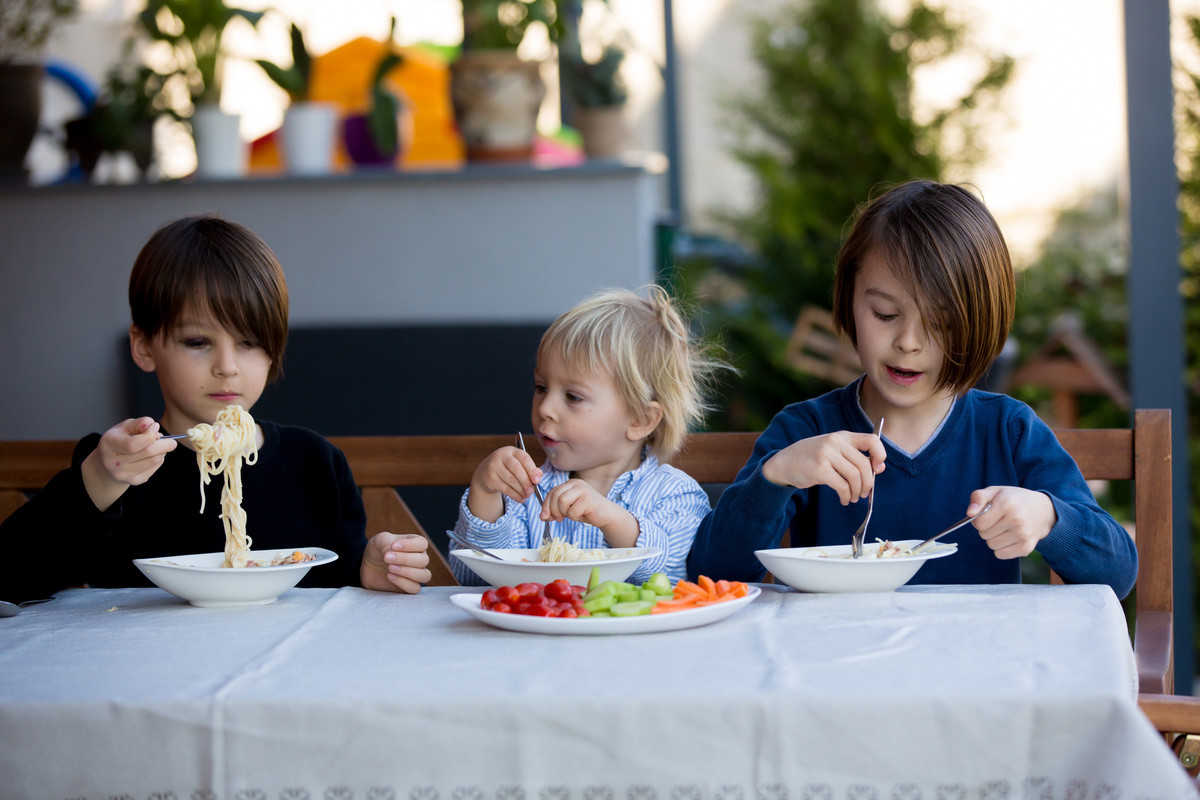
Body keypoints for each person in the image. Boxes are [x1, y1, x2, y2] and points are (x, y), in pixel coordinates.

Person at [686, 179, 1138, 598]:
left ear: (981, 323)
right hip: (840, 668)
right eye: (885, 314)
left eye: (940, 323)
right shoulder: (807, 431)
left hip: (976, 671)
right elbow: (712, 573)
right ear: (849, 300)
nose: (908, 342)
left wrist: (1049, 518)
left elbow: (1117, 572)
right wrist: (776, 476)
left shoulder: (1007, 431)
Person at [0, 215, 432, 602]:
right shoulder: (118, 466)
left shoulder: (315, 463)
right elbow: (11, 579)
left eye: (248, 343)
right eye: (197, 343)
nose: (227, 368)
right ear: (144, 347)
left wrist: (365, 570)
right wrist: (98, 478)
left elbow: (332, 580)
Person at [450, 286, 726, 585]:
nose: (545, 408)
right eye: (541, 388)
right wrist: (485, 492)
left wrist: (610, 518)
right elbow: (473, 579)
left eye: (573, 396)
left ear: (641, 419)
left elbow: (669, 576)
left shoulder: (675, 494)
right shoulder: (526, 492)